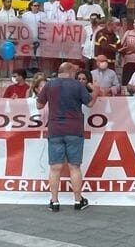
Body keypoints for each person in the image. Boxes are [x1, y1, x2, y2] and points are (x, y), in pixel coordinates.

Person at [37, 61, 99, 212]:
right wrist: (96, 91)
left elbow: (39, 105)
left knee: (55, 167)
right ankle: (78, 201)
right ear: (70, 71)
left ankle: (54, 201)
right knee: (74, 166)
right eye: (75, 71)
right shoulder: (77, 85)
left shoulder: (50, 85)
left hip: (55, 128)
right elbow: (90, 103)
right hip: (74, 129)